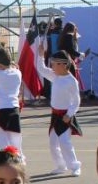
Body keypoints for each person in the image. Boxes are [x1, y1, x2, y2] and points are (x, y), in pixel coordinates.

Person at [34, 44, 82, 176]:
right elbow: (40, 68)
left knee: (64, 142)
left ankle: (75, 166)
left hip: (65, 115)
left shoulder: (71, 81)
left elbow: (76, 101)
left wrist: (69, 114)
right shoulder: (54, 75)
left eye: (54, 63)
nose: (52, 66)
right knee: (53, 142)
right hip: (55, 115)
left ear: (62, 64)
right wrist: (40, 55)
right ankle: (60, 165)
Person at [57, 21, 84, 89]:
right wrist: (80, 55)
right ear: (72, 29)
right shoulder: (69, 36)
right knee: (72, 82)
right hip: (68, 61)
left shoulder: (62, 36)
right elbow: (70, 50)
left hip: (62, 61)